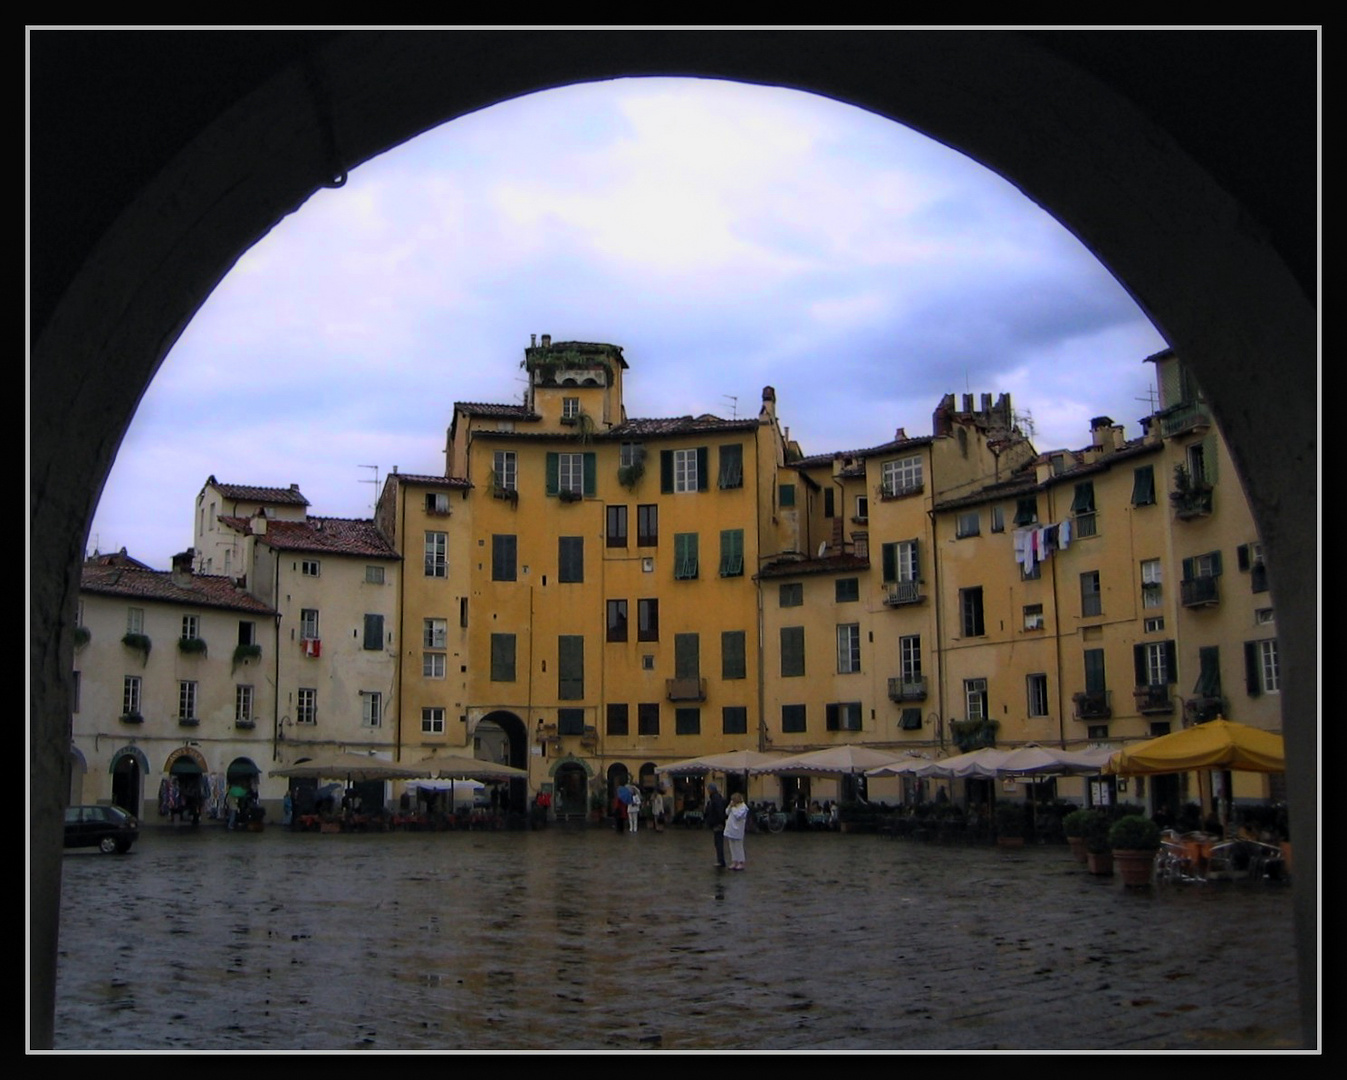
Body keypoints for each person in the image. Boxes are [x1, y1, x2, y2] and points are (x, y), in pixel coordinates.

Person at [724, 792, 750, 870]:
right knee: (732, 846)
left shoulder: (743, 807)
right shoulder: (733, 806)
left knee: (739, 846)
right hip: (731, 829)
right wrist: (730, 806)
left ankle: (741, 862)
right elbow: (726, 812)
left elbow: (738, 816)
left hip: (738, 830)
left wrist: (733, 808)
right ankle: (734, 861)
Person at [705, 783, 728, 867]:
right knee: (717, 842)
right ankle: (720, 860)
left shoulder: (716, 799)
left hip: (718, 823)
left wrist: (720, 822)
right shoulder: (715, 798)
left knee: (718, 843)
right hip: (717, 823)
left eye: (708, 789)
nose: (707, 791)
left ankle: (721, 861)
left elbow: (719, 811)